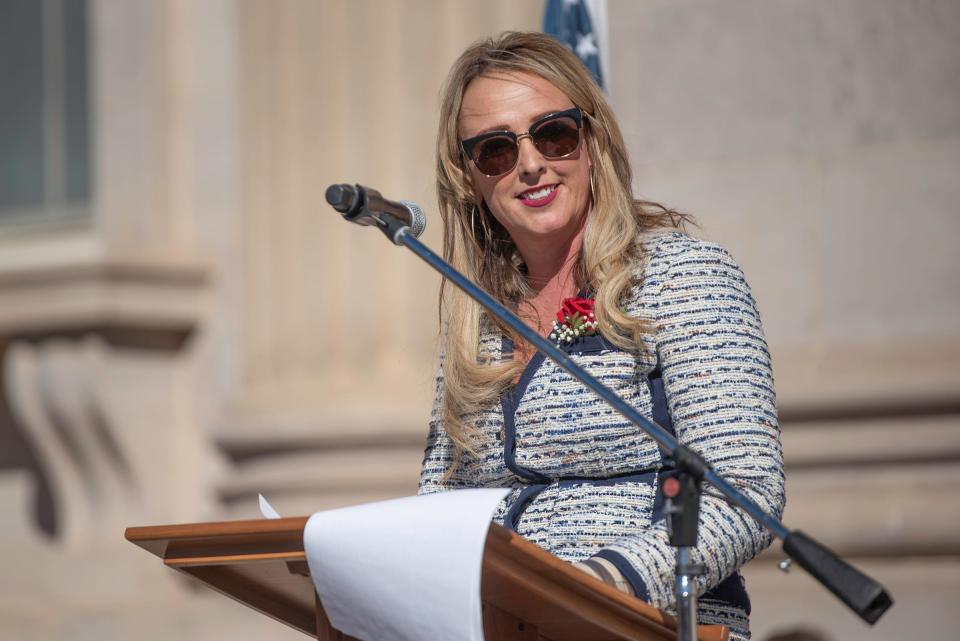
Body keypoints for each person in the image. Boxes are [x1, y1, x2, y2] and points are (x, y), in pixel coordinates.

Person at [419, 31, 785, 641]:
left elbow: (743, 490)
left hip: (652, 622)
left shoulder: (681, 276)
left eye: (553, 133)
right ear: (468, 177)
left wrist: (600, 584)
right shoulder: (475, 320)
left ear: (592, 140)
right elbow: (440, 504)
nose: (532, 163)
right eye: (495, 150)